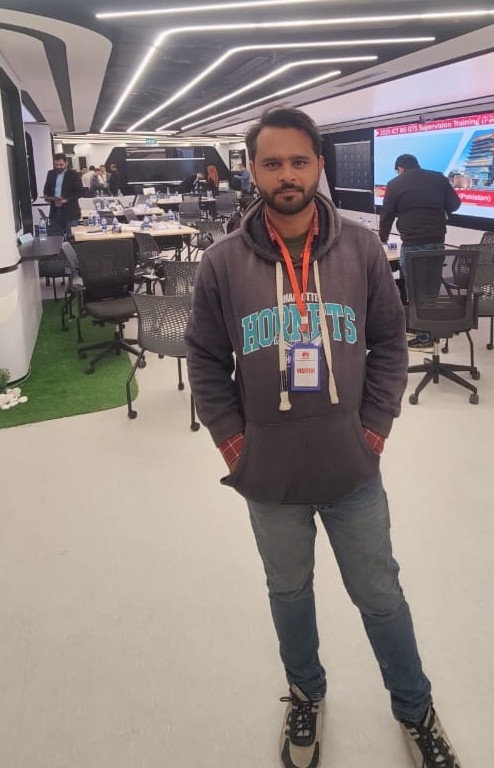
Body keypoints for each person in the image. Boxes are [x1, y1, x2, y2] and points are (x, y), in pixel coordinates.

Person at [186, 106, 462, 768]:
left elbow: (390, 341)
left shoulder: (362, 249)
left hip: (351, 468)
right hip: (269, 475)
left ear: (318, 166)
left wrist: (374, 429)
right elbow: (205, 359)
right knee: (289, 593)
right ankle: (306, 694)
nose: (287, 174)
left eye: (299, 161)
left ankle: (415, 708)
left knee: (380, 595)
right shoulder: (221, 263)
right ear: (253, 171)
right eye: (272, 163)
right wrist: (234, 446)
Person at [378, 154, 461, 349]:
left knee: (415, 290)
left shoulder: (395, 184)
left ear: (400, 168)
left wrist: (382, 238)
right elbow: (455, 205)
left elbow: (387, 214)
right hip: (437, 243)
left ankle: (423, 336)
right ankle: (431, 329)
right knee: (431, 288)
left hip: (412, 244)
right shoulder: (438, 178)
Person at [42, 153, 83, 236]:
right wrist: (47, 197)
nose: (59, 167)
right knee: (56, 237)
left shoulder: (73, 174)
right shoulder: (51, 173)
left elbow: (80, 192)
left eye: (61, 165)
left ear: (66, 163)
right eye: (56, 165)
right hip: (55, 211)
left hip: (70, 212)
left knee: (71, 237)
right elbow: (46, 189)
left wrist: (66, 200)